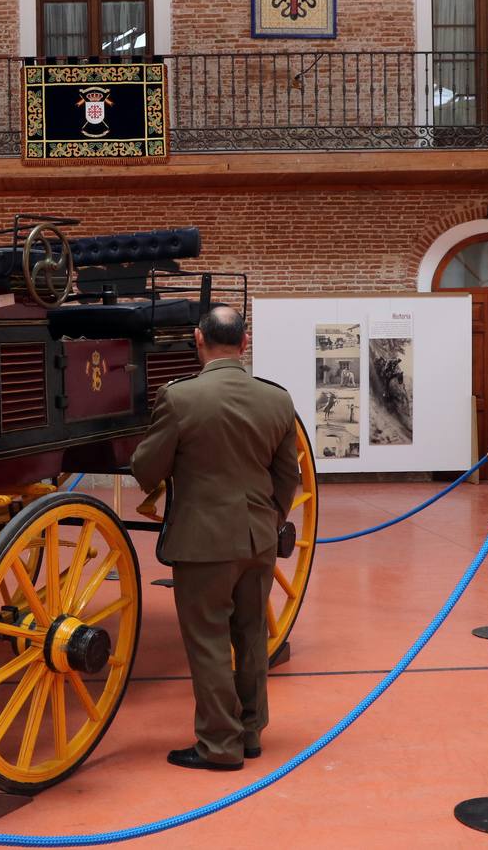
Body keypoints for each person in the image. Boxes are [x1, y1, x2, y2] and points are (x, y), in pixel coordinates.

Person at [131, 306, 300, 771]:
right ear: (244, 343)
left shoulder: (181, 398)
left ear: (198, 340)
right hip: (258, 538)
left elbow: (146, 469)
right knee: (249, 636)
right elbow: (288, 476)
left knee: (207, 640)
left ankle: (218, 745)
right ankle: (249, 733)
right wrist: (268, 519)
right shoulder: (277, 400)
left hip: (203, 541)